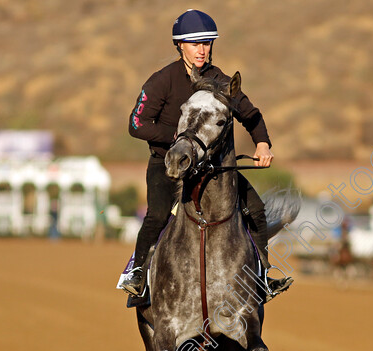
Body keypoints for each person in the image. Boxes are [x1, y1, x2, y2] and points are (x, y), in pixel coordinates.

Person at [120, 9, 292, 301]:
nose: (202, 49)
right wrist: (174, 138)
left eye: (207, 43)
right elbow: (136, 124)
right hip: (169, 164)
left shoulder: (221, 80)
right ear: (180, 46)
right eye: (194, 43)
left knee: (257, 209)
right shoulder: (162, 81)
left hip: (212, 169)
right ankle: (137, 273)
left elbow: (250, 115)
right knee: (158, 215)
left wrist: (262, 143)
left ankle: (261, 276)